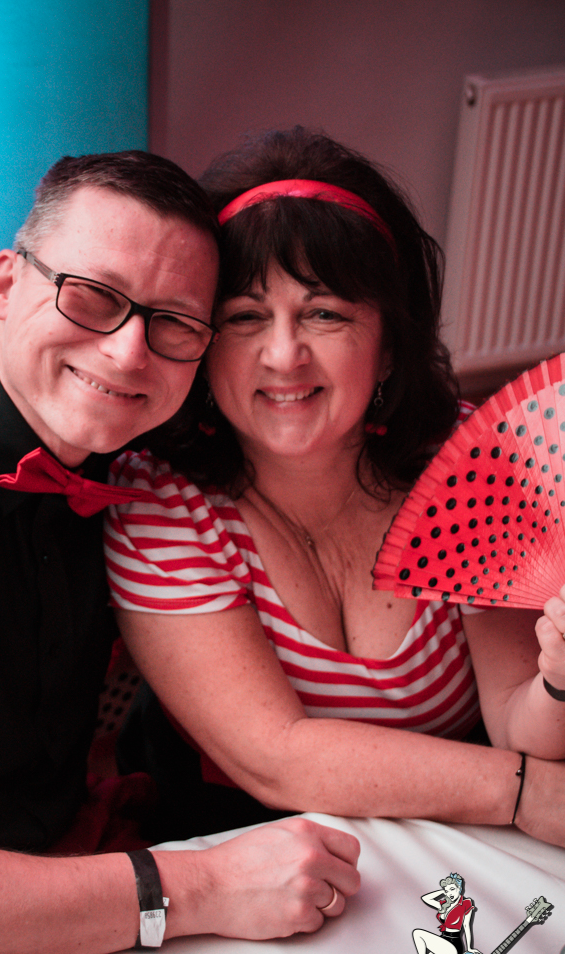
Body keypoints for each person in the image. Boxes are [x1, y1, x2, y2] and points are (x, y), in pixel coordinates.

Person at [0, 150, 360, 954]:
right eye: (91, 296)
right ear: (6, 284)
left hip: (76, 877)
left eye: (175, 323)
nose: (127, 353)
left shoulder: (140, 449)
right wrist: (197, 886)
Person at [105, 127, 565, 847]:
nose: (284, 355)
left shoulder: (470, 461)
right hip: (236, 843)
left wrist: (559, 677)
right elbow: (276, 755)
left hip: (449, 836)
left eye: (324, 313)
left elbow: (514, 720)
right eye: (245, 317)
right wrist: (524, 791)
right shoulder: (159, 500)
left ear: (389, 345)